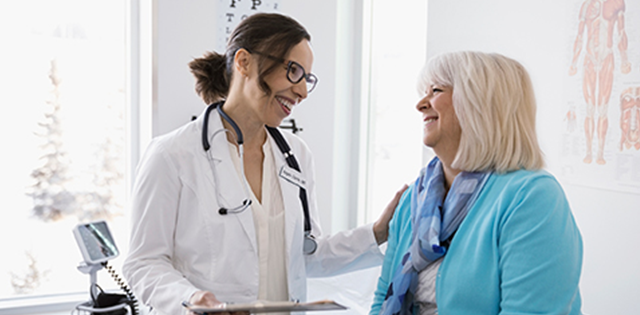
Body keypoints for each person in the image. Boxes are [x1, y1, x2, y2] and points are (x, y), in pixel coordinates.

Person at [122, 13, 405, 315]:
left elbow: (305, 254)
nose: (303, 91)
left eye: (307, 78)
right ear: (244, 62)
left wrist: (376, 232)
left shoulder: (295, 155)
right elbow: (142, 263)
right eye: (293, 71)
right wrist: (190, 299)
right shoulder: (172, 155)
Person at [370, 51, 583, 315]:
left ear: (479, 104)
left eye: (435, 90)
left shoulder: (532, 197)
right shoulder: (414, 197)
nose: (421, 104)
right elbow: (382, 298)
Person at [568, 0, 631, 165]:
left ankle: (600, 152)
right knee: (590, 108)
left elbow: (621, 32)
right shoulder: (586, 5)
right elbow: (579, 36)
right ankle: (589, 151)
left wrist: (624, 59)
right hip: (589, 59)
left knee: (602, 108)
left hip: (607, 58)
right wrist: (573, 63)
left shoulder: (617, 3)